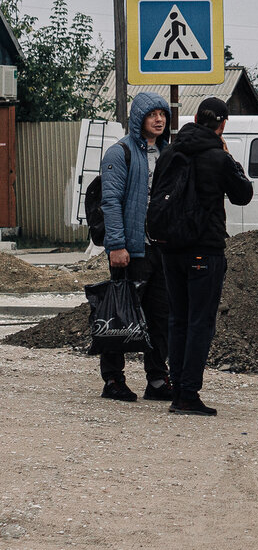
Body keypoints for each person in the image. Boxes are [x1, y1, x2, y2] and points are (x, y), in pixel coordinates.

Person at [155, 97, 254, 416]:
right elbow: (243, 195)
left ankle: (176, 391)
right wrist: (229, 157)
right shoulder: (217, 157)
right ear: (222, 125)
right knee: (200, 323)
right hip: (204, 249)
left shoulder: (170, 151)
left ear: (196, 117)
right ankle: (187, 395)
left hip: (170, 248)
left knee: (178, 319)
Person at [98, 92, 174, 402]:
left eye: (163, 114)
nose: (159, 119)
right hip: (131, 249)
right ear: (138, 118)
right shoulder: (121, 153)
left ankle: (157, 380)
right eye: (152, 114)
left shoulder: (169, 152)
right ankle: (113, 380)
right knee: (119, 315)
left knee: (161, 316)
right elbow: (111, 201)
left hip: (161, 249)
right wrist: (116, 245)